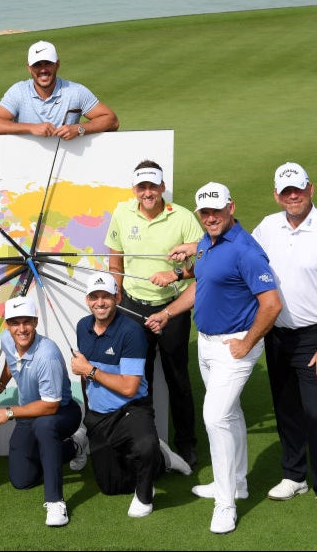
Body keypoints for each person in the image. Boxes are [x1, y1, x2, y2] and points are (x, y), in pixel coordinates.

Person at [146, 182, 282, 534]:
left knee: (216, 417)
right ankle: (236, 483)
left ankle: (226, 504)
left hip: (234, 346)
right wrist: (168, 312)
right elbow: (201, 282)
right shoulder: (207, 242)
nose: (210, 218)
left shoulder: (247, 251)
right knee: (231, 414)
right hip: (207, 344)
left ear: (231, 208)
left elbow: (272, 305)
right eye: (204, 213)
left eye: (216, 211)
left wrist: (247, 342)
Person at [251, 162, 317, 528]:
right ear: (276, 194)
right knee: (286, 408)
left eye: (298, 189)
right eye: (285, 191)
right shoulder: (267, 227)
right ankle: (294, 476)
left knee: (316, 414)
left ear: (310, 189)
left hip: (314, 337)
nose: (292, 196)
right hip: (277, 334)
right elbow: (240, 256)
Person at [105, 160, 205, 468]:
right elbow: (115, 260)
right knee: (139, 377)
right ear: (134, 189)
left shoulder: (183, 217)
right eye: (142, 187)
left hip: (172, 308)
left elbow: (205, 261)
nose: (147, 193)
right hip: (133, 307)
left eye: (153, 186)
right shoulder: (122, 212)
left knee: (178, 378)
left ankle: (186, 444)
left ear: (162, 187)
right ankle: (144, 443)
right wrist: (116, 295)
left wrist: (175, 273)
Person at [69, 273, 192, 519]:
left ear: (117, 297)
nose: (100, 302)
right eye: (95, 297)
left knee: (144, 447)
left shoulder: (131, 332)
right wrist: (88, 414)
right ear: (87, 299)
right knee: (110, 487)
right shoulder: (83, 326)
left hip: (131, 409)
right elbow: (85, 377)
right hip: (100, 416)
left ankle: (146, 494)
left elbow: (129, 388)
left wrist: (90, 370)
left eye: (106, 296)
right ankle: (162, 457)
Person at [0, 296, 86, 527]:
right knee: (21, 479)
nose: (21, 329)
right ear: (7, 324)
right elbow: (11, 362)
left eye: (26, 322)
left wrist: (7, 412)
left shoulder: (47, 355)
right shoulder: (7, 339)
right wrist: (0, 385)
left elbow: (50, 406)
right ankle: (74, 447)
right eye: (15, 323)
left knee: (44, 426)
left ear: (36, 322)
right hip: (30, 411)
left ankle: (55, 501)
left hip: (62, 412)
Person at [0, 40, 119, 139]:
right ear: (29, 68)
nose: (43, 70)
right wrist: (31, 128)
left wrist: (79, 129)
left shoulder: (75, 91)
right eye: (37, 65)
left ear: (57, 65)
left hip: (69, 159)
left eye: (48, 63)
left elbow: (112, 120)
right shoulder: (18, 91)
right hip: (25, 160)